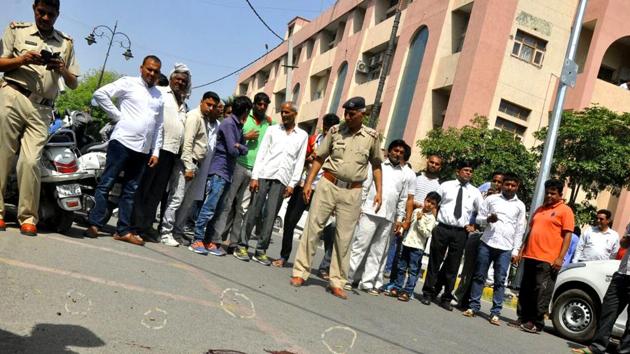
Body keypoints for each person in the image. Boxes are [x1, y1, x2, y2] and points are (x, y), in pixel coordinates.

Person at [290, 96, 383, 300]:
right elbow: (319, 158)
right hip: (328, 184)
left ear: (362, 113)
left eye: (352, 114)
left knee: (344, 237)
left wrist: (379, 191)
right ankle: (300, 272)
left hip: (353, 191)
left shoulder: (372, 137)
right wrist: (308, 183)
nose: (347, 117)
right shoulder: (334, 131)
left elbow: (376, 165)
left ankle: (337, 281)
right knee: (313, 228)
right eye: (346, 114)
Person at [0, 0, 79, 236]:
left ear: (58, 15)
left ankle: (28, 216)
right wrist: (23, 59)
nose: (45, 18)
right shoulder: (17, 30)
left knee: (31, 161)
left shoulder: (66, 42)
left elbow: (74, 82)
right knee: (3, 156)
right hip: (13, 96)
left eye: (50, 14)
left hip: (42, 108)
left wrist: (61, 68)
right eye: (41, 12)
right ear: (34, 9)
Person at [85, 55, 164, 245]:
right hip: (121, 142)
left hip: (143, 149)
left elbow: (159, 126)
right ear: (141, 68)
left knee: (130, 190)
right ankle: (94, 224)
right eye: (149, 69)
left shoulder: (159, 96)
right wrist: (117, 116)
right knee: (106, 183)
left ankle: (123, 230)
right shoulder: (128, 83)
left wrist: (156, 151)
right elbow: (100, 94)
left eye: (156, 71)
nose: (152, 74)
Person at [232, 102, 308, 263]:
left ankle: (261, 250)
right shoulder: (272, 130)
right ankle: (242, 245)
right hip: (264, 175)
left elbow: (300, 161)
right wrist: (255, 177)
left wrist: (292, 183)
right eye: (282, 112)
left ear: (295, 113)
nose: (284, 115)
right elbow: (262, 153)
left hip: (282, 179)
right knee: (254, 210)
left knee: (271, 215)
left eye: (287, 112)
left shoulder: (302, 135)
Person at [272, 113, 340, 268]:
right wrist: (308, 159)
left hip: (323, 190)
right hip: (303, 185)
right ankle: (284, 256)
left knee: (321, 228)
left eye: (330, 129)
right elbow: (298, 160)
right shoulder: (312, 140)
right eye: (325, 127)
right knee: (290, 221)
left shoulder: (340, 146)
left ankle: (313, 264)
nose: (327, 131)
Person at [131, 63, 191, 242]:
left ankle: (146, 226)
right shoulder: (160, 93)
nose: (180, 83)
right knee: (145, 188)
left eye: (183, 81)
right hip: (157, 149)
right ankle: (134, 225)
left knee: (157, 193)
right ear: (171, 79)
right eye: (177, 79)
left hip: (171, 153)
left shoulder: (184, 104)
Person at [209, 92, 273, 250]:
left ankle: (233, 241)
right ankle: (218, 237)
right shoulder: (244, 117)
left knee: (242, 208)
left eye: (265, 105)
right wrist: (246, 136)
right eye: (259, 104)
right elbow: (232, 137)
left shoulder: (269, 123)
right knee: (227, 203)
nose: (262, 107)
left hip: (255, 169)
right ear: (254, 104)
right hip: (238, 164)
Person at [189, 96, 251, 255]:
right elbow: (233, 150)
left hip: (228, 172)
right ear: (245, 111)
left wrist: (240, 147)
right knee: (209, 207)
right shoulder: (229, 124)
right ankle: (197, 239)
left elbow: (244, 149)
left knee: (218, 210)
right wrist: (239, 147)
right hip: (218, 171)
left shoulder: (238, 126)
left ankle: (208, 241)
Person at [462, 173, 526, 325]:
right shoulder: (491, 199)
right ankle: (473, 307)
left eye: (513, 185)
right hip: (487, 242)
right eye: (507, 184)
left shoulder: (520, 205)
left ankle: (495, 312)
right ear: (502, 185)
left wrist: (516, 251)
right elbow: (478, 219)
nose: (509, 188)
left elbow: (519, 229)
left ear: (517, 187)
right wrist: (487, 220)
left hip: (505, 247)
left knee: (500, 280)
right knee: (479, 276)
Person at [346, 140, 409, 294]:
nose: (397, 154)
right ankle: (347, 278)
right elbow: (366, 185)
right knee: (360, 246)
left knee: (377, 251)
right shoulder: (377, 166)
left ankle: (367, 283)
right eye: (395, 150)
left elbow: (402, 199)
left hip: (389, 217)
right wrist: (360, 207)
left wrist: (399, 219)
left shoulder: (404, 174)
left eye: (401, 152)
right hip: (370, 211)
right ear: (389, 151)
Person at [159, 91, 221, 246]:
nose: (210, 108)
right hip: (187, 163)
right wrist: (188, 166)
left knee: (187, 203)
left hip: (196, 165)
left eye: (213, 106)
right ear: (201, 101)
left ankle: (177, 233)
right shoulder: (194, 116)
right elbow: (187, 143)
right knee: (176, 199)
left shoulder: (204, 119)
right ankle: (165, 232)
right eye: (208, 104)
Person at [420, 160, 483, 310]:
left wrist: (474, 225)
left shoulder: (474, 192)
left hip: (460, 232)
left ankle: (446, 297)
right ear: (458, 171)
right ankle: (428, 293)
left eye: (470, 171)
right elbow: (434, 202)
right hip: (442, 228)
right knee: (435, 262)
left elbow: (482, 211)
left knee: (453, 266)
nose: (468, 173)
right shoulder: (445, 186)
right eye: (465, 170)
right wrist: (434, 220)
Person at [516, 179, 575, 333]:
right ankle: (522, 317)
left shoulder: (565, 211)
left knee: (541, 292)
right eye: (547, 192)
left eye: (553, 193)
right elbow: (531, 231)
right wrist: (522, 250)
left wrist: (560, 258)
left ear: (560, 194)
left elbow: (568, 235)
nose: (549, 195)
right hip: (530, 255)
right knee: (526, 289)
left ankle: (536, 322)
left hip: (548, 259)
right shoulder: (540, 209)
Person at [383, 154, 443, 279]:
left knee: (416, 256)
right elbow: (407, 197)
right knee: (400, 251)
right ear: (427, 162)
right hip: (409, 218)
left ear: (440, 167)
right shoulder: (416, 177)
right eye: (432, 162)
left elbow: (436, 208)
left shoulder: (440, 185)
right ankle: (393, 280)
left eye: (437, 164)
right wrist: (408, 215)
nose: (433, 165)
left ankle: (408, 288)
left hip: (424, 224)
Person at [574, 227, 630, 354]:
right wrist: (626, 239)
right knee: (608, 311)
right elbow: (623, 244)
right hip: (622, 274)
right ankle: (596, 347)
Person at [454, 171, 504, 309]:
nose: (496, 184)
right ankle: (458, 297)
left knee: (480, 271)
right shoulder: (484, 189)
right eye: (495, 180)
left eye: (500, 182)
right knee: (468, 268)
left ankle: (471, 301)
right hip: (476, 233)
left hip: (490, 237)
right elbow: (474, 210)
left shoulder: (504, 198)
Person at [388, 192, 440, 302]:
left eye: (432, 203)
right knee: (401, 267)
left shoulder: (431, 219)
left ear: (435, 206)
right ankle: (397, 287)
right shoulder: (416, 211)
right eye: (428, 201)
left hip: (417, 247)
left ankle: (408, 291)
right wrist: (402, 230)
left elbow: (426, 234)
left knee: (413, 270)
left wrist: (420, 221)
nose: (429, 204)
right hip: (407, 242)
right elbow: (409, 225)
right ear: (424, 200)